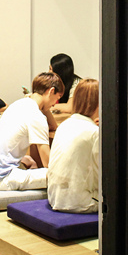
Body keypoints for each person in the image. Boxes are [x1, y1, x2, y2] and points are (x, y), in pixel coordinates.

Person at [0, 72, 64, 190]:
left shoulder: (18, 104)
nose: (54, 104)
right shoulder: (36, 116)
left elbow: (52, 125)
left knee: (30, 162)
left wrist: (44, 105)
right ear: (51, 91)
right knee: (59, 176)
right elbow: (48, 164)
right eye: (57, 98)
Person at [47, 78, 99, 213]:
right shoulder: (94, 132)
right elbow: (102, 175)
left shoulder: (64, 125)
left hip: (54, 197)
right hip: (80, 202)